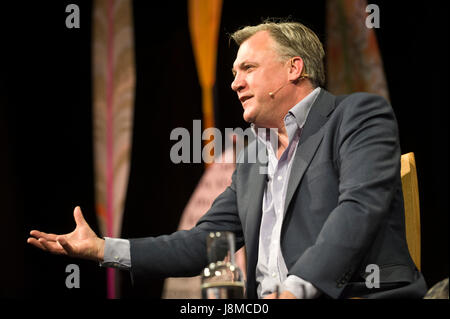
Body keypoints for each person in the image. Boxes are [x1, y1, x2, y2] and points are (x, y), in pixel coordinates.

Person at [27, 20, 427, 299]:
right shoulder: (254, 156)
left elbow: (358, 209)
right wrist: (102, 250)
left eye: (248, 68)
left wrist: (295, 290)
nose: (235, 82)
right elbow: (205, 243)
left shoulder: (357, 116)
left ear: (294, 68)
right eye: (234, 72)